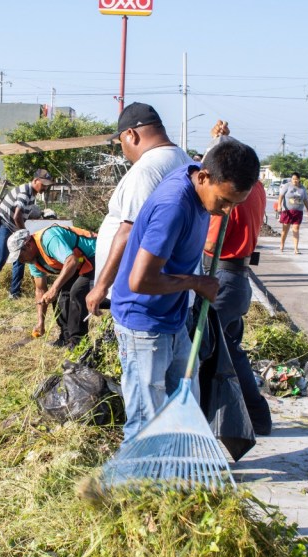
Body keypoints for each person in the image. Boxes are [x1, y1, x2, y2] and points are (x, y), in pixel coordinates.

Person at [110, 139, 260, 442]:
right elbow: (138, 281)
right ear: (203, 179)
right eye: (224, 201)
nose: (227, 211)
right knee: (146, 415)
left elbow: (220, 160)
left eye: (235, 204)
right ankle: (135, 479)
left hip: (173, 315)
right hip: (143, 320)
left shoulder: (198, 178)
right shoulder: (173, 207)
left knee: (184, 398)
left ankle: (173, 468)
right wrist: (196, 282)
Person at [85, 102, 192, 316]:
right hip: (172, 292)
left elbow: (129, 232)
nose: (123, 151)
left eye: (121, 142)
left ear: (131, 134)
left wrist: (101, 286)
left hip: (142, 300)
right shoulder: (186, 162)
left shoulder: (147, 170)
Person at [202, 171, 273, 436]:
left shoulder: (230, 190)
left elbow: (210, 242)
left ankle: (236, 418)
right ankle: (254, 417)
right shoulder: (256, 187)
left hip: (221, 277)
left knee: (209, 353)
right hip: (237, 278)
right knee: (231, 352)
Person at [5, 223, 97, 348]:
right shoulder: (32, 259)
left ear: (28, 245)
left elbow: (71, 261)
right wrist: (40, 322)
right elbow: (40, 290)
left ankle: (78, 342)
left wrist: (53, 288)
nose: (20, 260)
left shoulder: (48, 239)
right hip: (79, 264)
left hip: (95, 254)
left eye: (20, 256)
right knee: (60, 295)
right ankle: (65, 337)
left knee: (76, 291)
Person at [0, 169, 53, 301]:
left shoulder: (32, 195)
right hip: (4, 224)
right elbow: (18, 216)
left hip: (13, 226)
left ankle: (14, 292)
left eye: (47, 185)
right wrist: (24, 235)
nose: (45, 187)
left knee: (20, 258)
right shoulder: (25, 192)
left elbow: (22, 217)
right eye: (43, 184)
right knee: (1, 258)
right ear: (35, 181)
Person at [276, 172, 308, 254]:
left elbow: (305, 200)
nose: (295, 181)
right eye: (293, 179)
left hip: (298, 211)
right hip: (287, 211)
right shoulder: (287, 186)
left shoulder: (302, 188)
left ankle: (296, 248)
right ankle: (282, 244)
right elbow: (281, 196)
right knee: (285, 230)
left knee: (296, 229)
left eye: (296, 179)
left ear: (299, 179)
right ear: (291, 179)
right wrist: (279, 206)